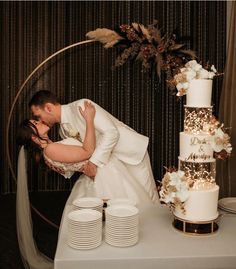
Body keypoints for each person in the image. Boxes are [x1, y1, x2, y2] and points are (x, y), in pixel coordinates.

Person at [28, 90, 159, 203]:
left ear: (49, 108)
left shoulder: (81, 106)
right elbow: (81, 153)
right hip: (109, 167)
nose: (40, 121)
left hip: (129, 154)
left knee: (146, 200)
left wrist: (93, 163)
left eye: (38, 116)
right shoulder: (62, 131)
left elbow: (111, 132)